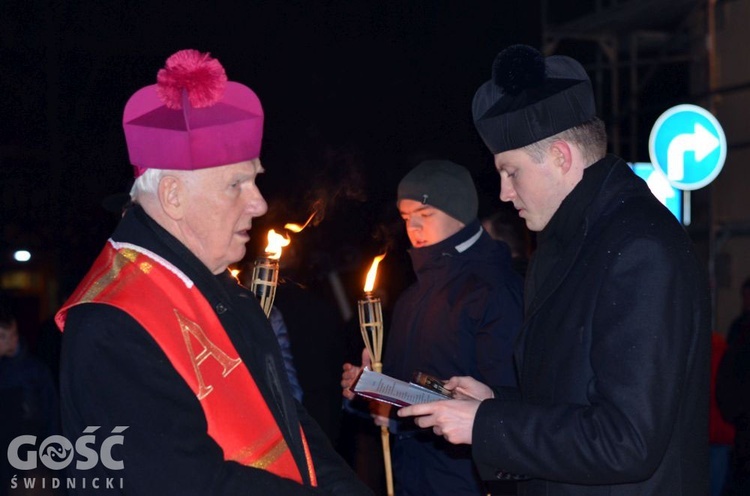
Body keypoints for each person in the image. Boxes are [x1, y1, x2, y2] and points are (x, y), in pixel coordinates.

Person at [55, 49, 372, 495]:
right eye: (235, 184)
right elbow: (187, 483)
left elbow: (289, 424)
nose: (259, 203)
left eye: (255, 179)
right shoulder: (111, 324)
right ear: (173, 196)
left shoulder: (224, 286)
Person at [398, 44, 711, 495]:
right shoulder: (575, 240)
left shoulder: (640, 247)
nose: (505, 193)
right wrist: (493, 403)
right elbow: (569, 398)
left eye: (512, 172)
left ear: (561, 157)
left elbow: (627, 441)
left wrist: (488, 425)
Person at [342, 159, 524, 495]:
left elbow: (509, 402)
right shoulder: (413, 296)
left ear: (459, 214)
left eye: (425, 216)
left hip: (465, 480)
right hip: (411, 476)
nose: (414, 229)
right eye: (407, 218)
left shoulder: (494, 290)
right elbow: (408, 389)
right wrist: (372, 388)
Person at [1, 293, 60, 496]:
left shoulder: (34, 372)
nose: (8, 341)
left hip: (30, 461)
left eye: (7, 335)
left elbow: (50, 416)